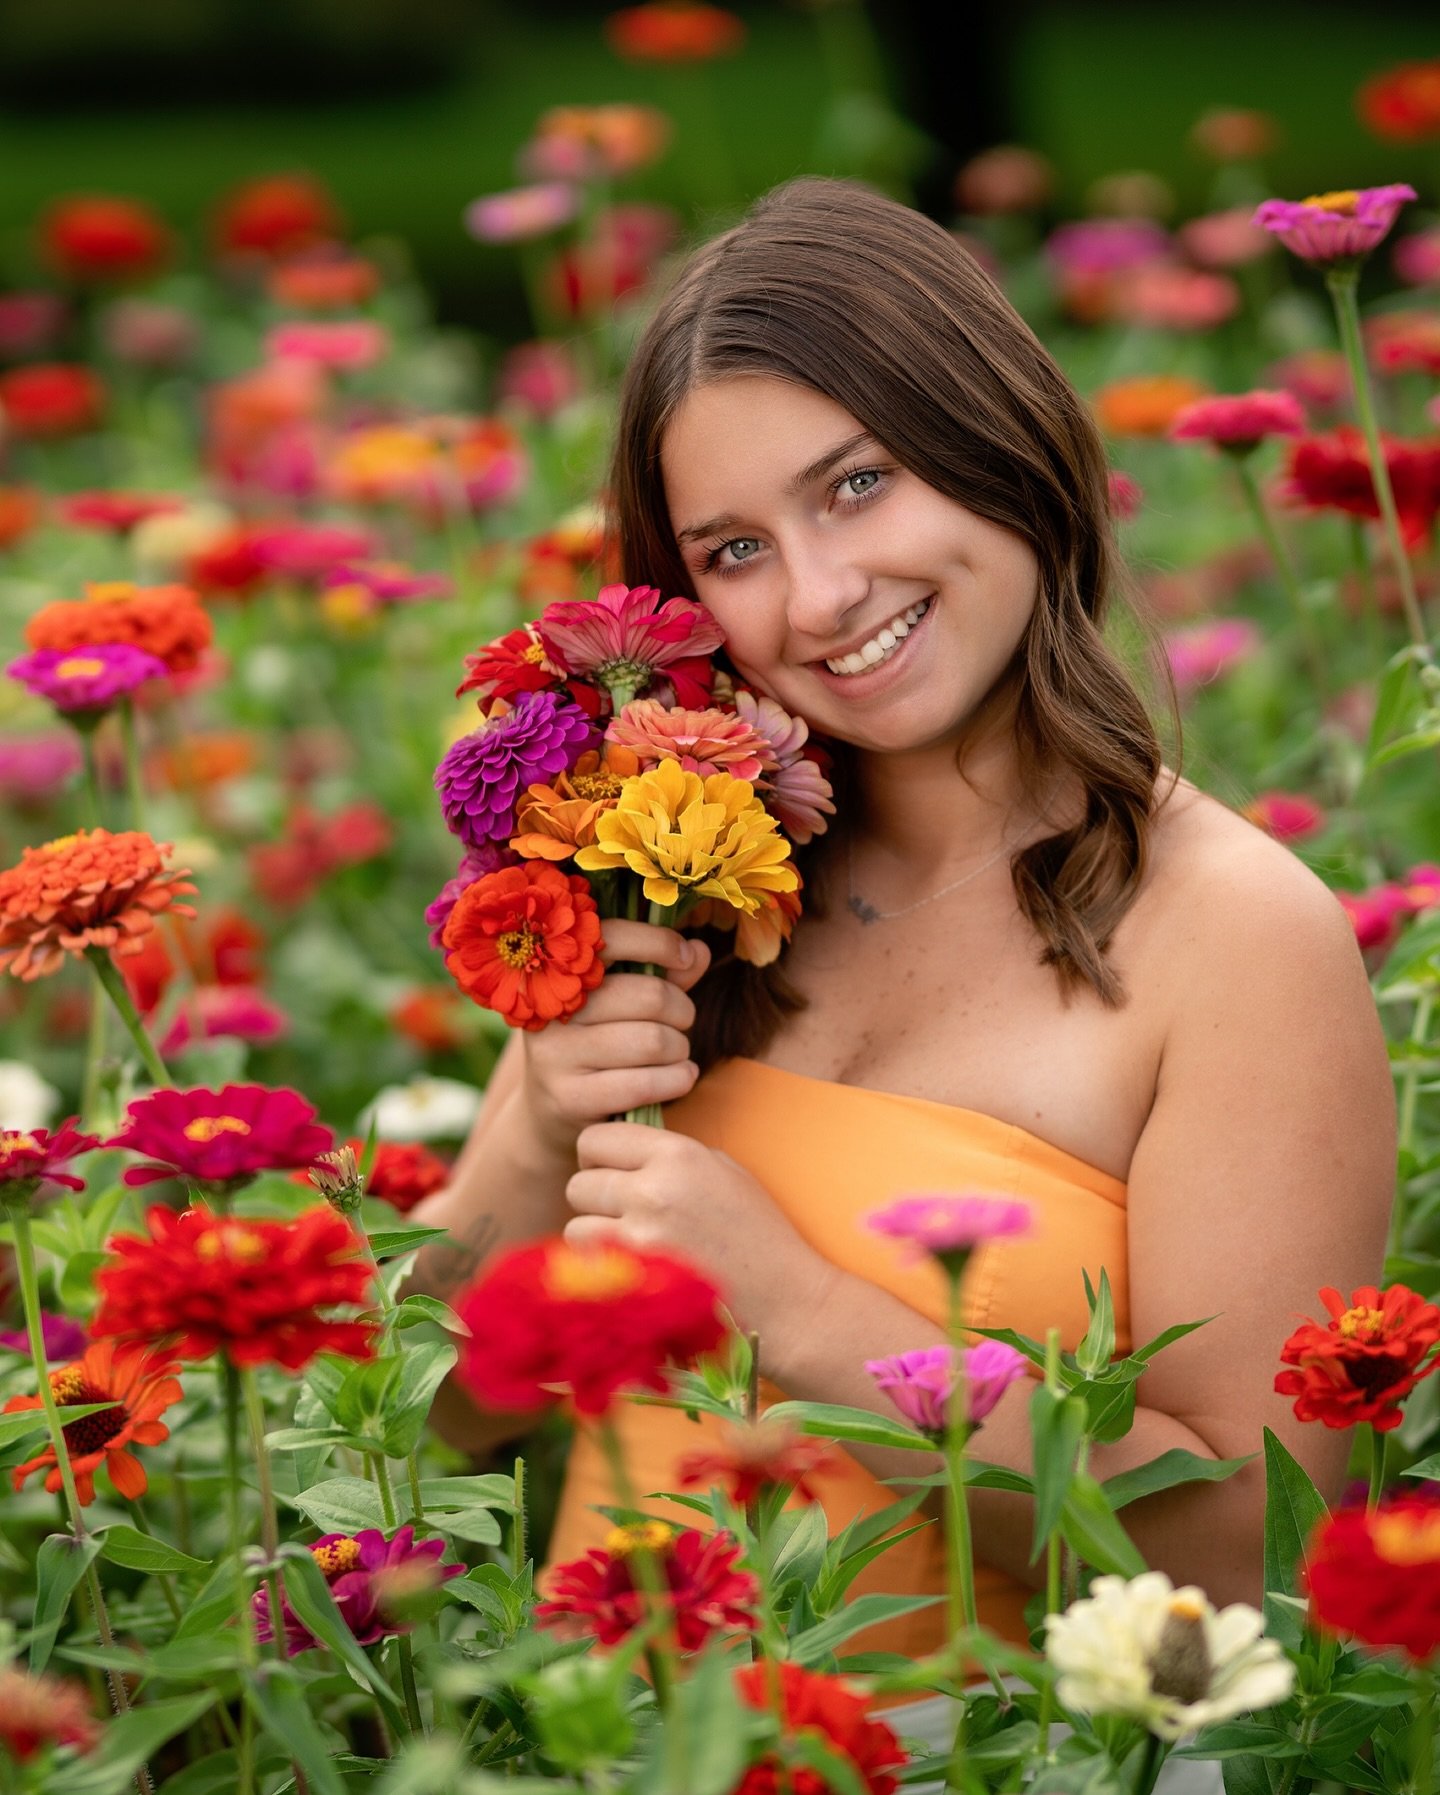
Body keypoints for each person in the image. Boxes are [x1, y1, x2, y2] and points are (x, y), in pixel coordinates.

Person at [412, 178, 1394, 1781]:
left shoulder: (1235, 939)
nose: (816, 598)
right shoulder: (677, 884)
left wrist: (803, 1311)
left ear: (999, 434)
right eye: (737, 548)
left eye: (857, 485)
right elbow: (422, 1434)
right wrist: (531, 1134)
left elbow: (1242, 1574)